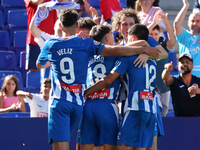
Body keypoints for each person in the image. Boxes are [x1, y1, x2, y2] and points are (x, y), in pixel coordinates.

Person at [36, 9, 160, 150]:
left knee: (82, 145)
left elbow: (41, 63)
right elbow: (120, 50)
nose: (113, 39)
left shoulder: (85, 52)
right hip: (108, 104)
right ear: (107, 40)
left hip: (86, 105)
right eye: (111, 37)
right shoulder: (105, 50)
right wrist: (145, 50)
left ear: (60, 26)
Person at [84, 24, 166, 150]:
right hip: (151, 109)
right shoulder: (153, 60)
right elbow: (155, 49)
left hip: (133, 108)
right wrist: (145, 51)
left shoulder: (126, 56)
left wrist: (85, 92)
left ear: (133, 38)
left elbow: (109, 79)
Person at [148, 12, 176, 117]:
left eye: (156, 34)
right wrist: (154, 22)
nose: (154, 36)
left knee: (163, 116)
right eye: (151, 34)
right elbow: (141, 35)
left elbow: (173, 41)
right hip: (148, 88)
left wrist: (165, 21)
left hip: (163, 88)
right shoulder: (142, 48)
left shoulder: (163, 45)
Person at [24, 0, 57, 72]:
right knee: (35, 70)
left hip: (52, 39)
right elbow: (37, 2)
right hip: (35, 39)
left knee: (53, 70)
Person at [174, 0, 200, 77]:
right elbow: (176, 24)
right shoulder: (184, 35)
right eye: (192, 21)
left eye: (198, 21)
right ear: (188, 23)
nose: (195, 23)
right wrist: (186, 5)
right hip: (184, 78)